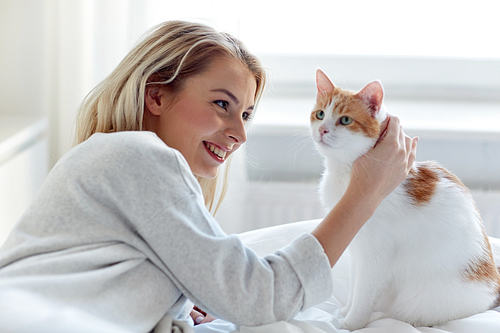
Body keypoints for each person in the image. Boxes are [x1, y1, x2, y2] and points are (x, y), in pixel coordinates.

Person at [0, 21, 417, 332]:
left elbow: (101, 279)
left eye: (247, 115)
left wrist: (177, 306)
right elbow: (259, 295)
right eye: (222, 104)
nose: (239, 133)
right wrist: (365, 193)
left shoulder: (112, 164)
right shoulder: (135, 155)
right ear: (157, 95)